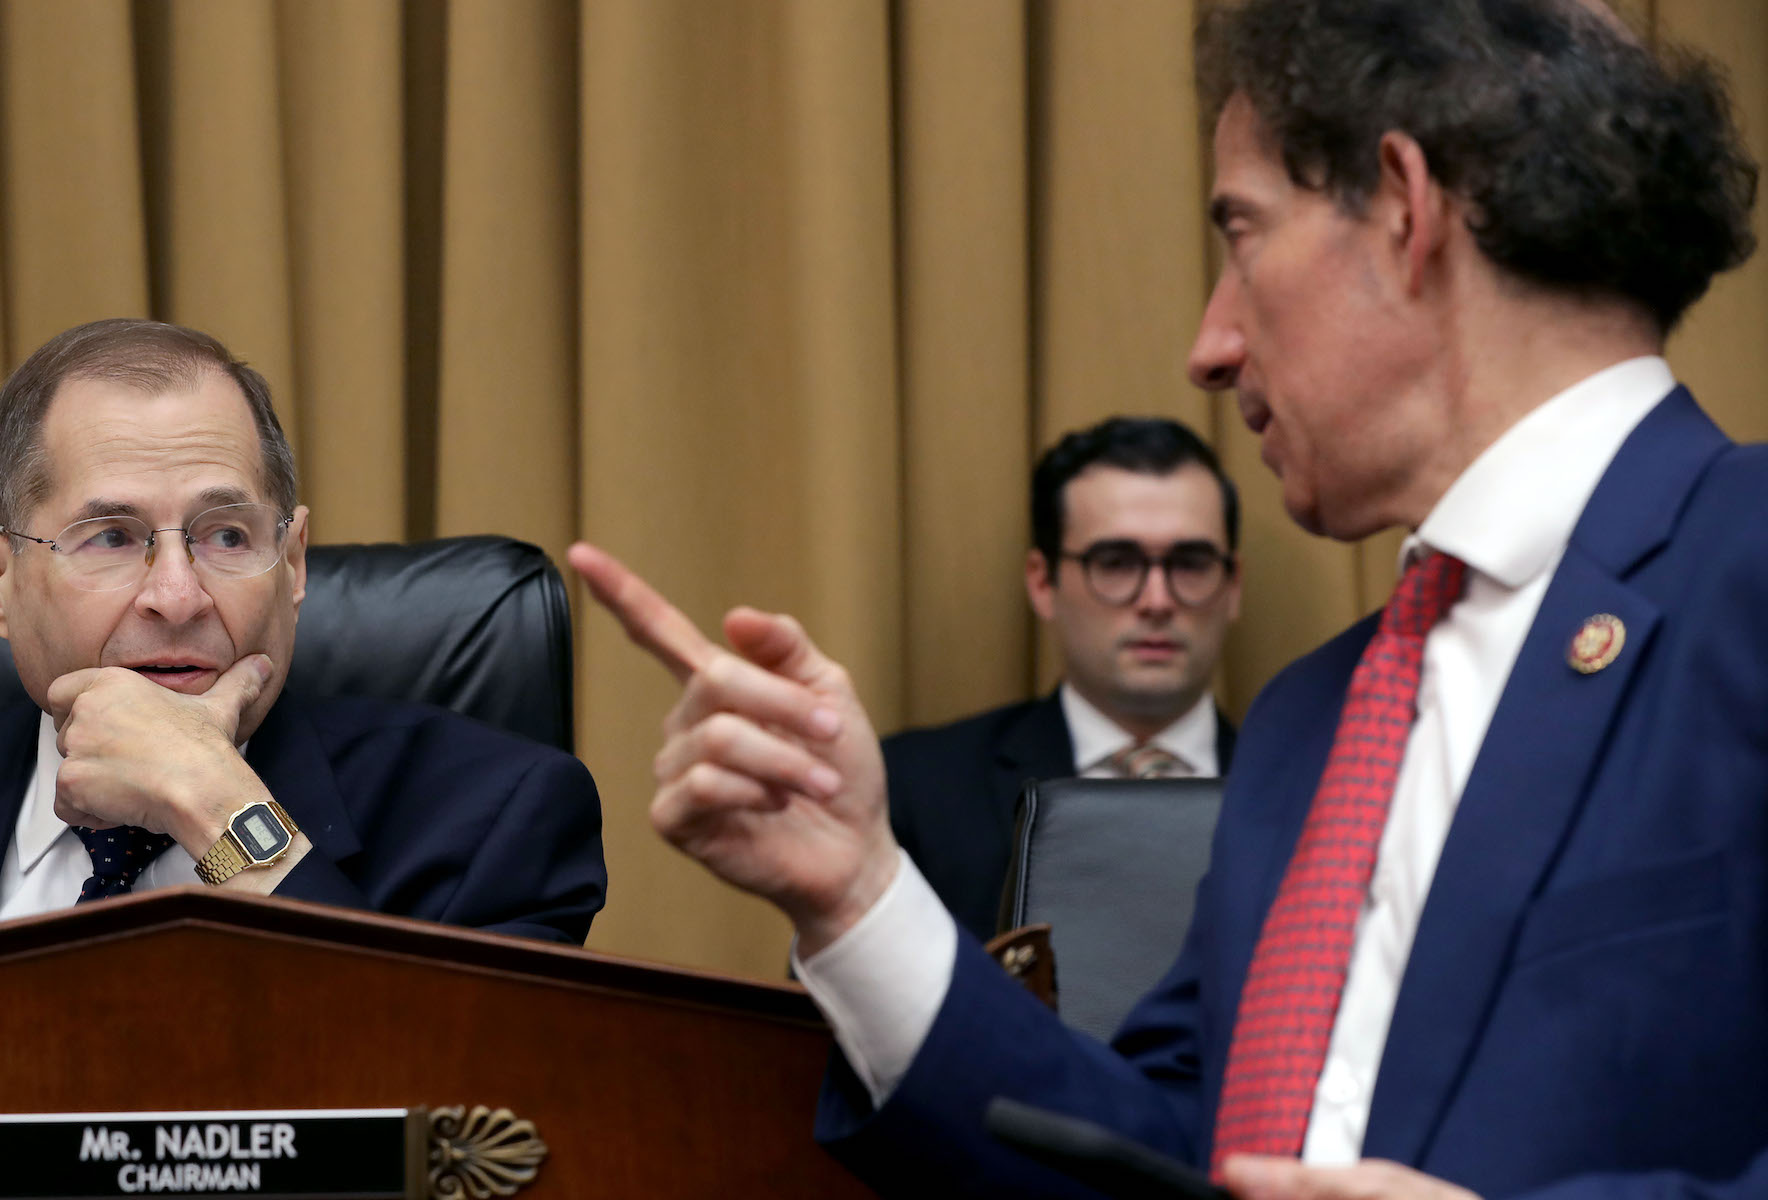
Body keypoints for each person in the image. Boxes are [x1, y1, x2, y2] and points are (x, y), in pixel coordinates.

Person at [570, 0, 1768, 1196]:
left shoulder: (1743, 563)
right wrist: (857, 895)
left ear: (1405, 208)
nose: (1209, 344)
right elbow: (1147, 1167)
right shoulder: (1312, 722)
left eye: (1242, 235)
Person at [0, 319, 606, 980]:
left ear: (294, 564)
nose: (177, 596)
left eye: (228, 536)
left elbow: (461, 1119)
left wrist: (216, 804)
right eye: (113, 538)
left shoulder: (493, 817)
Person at [883, 417, 1241, 943]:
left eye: (1191, 563)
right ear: (1042, 582)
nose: (1158, 601)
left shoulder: (1318, 791)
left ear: (1233, 586)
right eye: (1115, 562)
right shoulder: (918, 792)